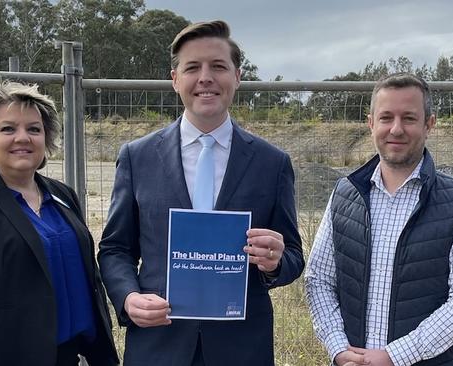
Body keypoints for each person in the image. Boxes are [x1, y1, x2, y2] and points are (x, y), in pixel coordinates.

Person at [98, 20, 304, 366]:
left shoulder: (273, 163)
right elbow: (115, 248)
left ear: (237, 76)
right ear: (175, 79)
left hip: (241, 349)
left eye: (218, 66)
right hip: (158, 345)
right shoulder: (138, 156)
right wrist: (128, 297)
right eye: (193, 67)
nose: (205, 77)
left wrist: (276, 262)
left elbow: (293, 255)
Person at [0, 76, 119, 366]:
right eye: (8, 129)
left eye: (34, 129)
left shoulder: (62, 195)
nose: (23, 137)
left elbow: (88, 279)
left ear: (46, 139)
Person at [305, 73, 453, 366]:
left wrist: (395, 356)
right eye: (385, 118)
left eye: (408, 118)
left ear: (429, 124)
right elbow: (319, 280)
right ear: (370, 123)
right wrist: (339, 348)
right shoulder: (345, 194)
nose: (396, 129)